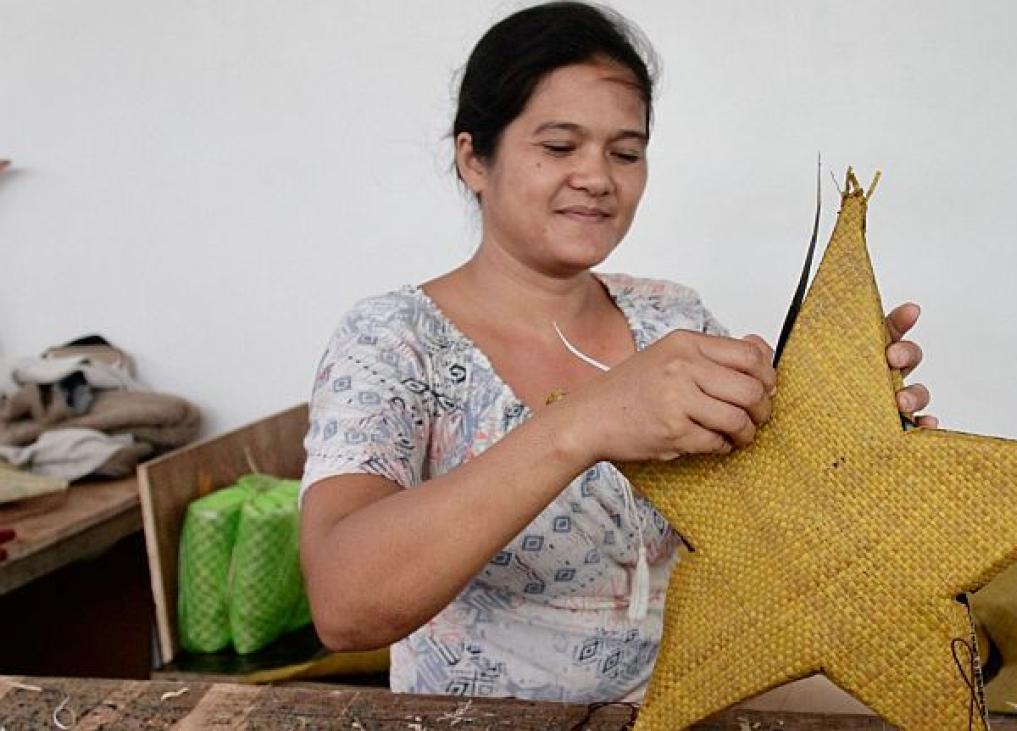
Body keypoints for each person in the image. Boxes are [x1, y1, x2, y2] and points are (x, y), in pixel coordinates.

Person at [298, 1, 935, 704]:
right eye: (560, 146)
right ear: (474, 157)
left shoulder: (673, 318)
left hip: (687, 701)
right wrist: (585, 421)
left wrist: (859, 432)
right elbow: (343, 603)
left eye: (625, 152)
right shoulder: (394, 339)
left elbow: (771, 517)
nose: (598, 177)